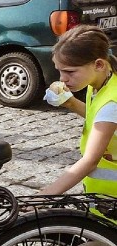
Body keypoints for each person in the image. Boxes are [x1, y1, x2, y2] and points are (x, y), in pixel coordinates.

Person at [41, 25, 117, 196]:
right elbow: (101, 120)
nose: (63, 79)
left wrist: (44, 195)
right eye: (59, 70)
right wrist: (72, 103)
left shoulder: (112, 103)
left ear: (98, 64)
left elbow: (90, 161)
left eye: (70, 71)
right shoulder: (103, 80)